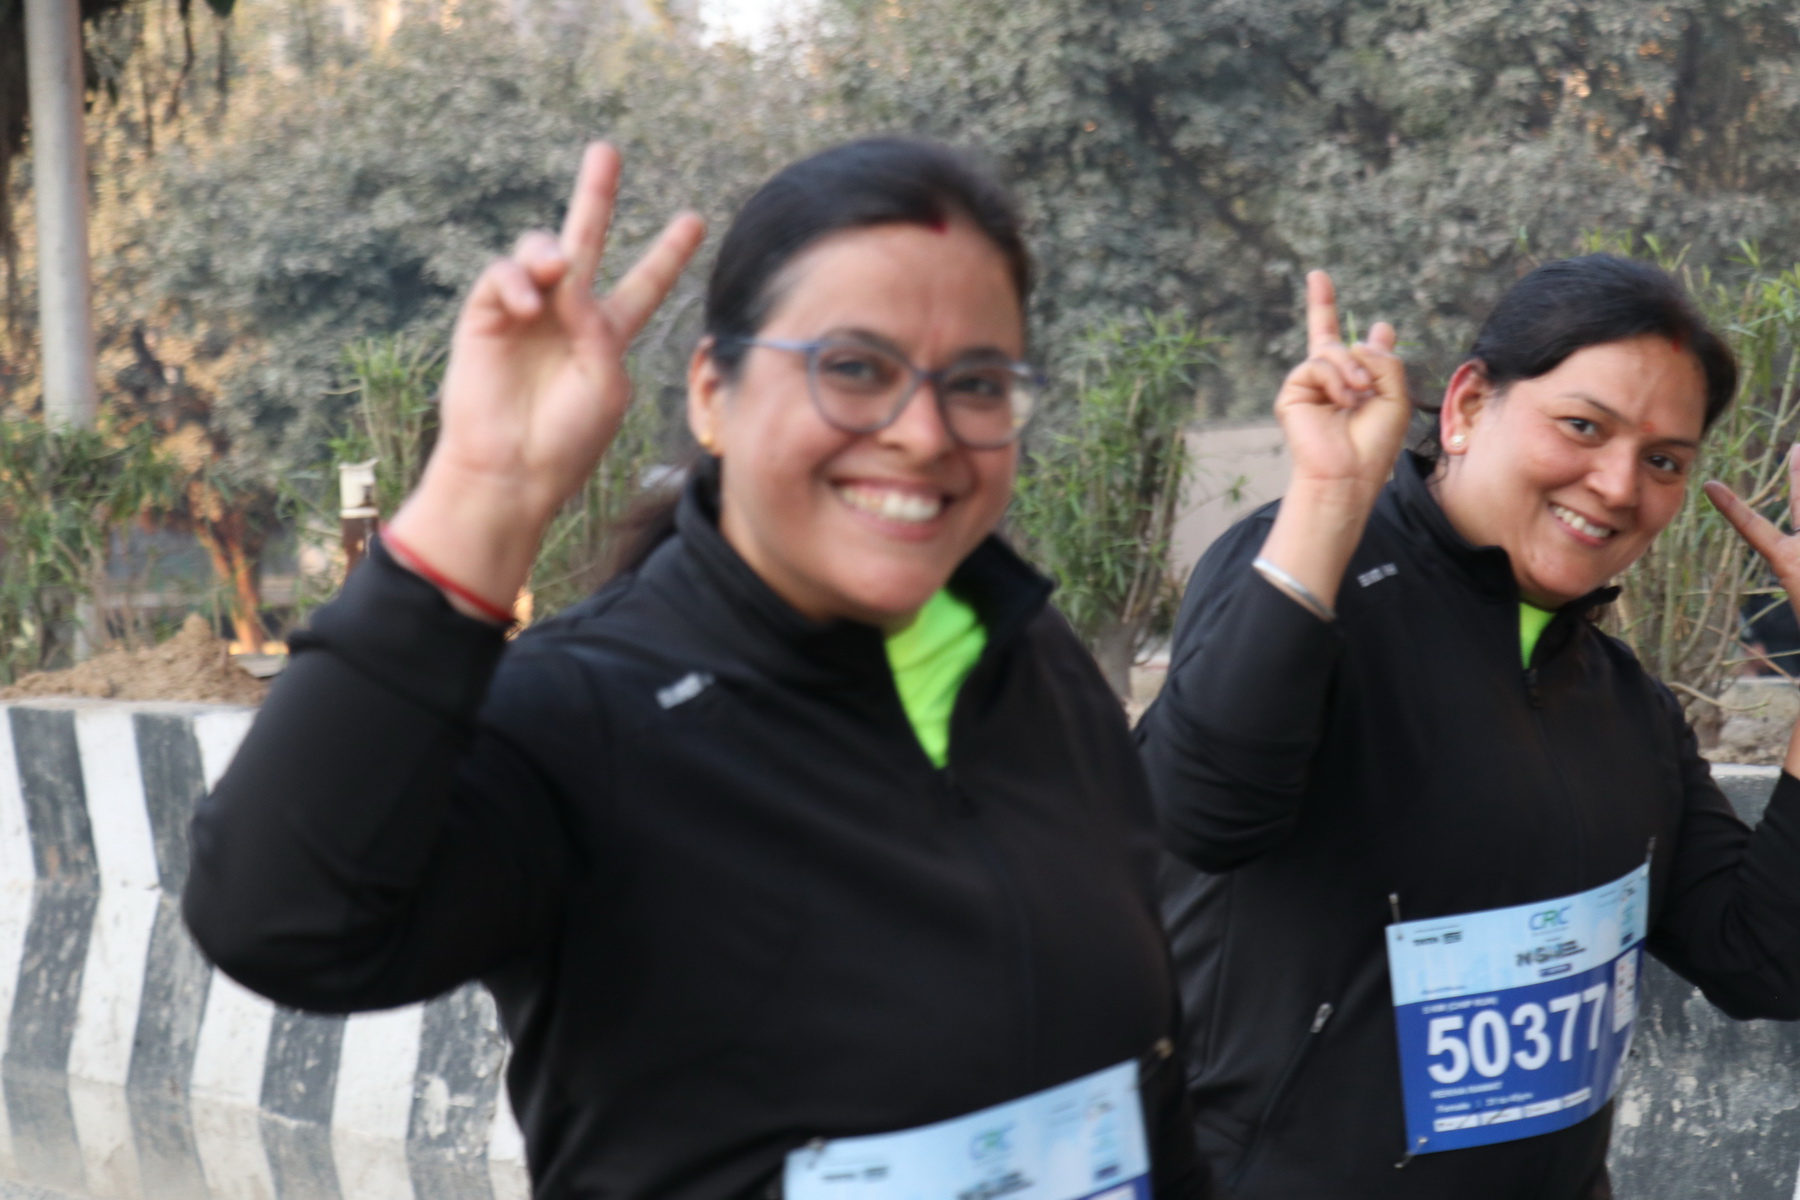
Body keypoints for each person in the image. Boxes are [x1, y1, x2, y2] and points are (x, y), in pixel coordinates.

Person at [183, 138, 1208, 1199]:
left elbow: (1146, 1091)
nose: (922, 434)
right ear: (713, 392)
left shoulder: (1035, 665)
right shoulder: (585, 710)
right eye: (855, 369)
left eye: (979, 383)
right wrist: (485, 490)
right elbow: (280, 922)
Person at [1137, 254, 1800, 1198]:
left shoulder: (1627, 708)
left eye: (1663, 461)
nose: (1618, 484)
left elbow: (1766, 961)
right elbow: (1198, 817)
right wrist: (1329, 500)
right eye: (1582, 426)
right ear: (1467, 407)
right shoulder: (1313, 582)